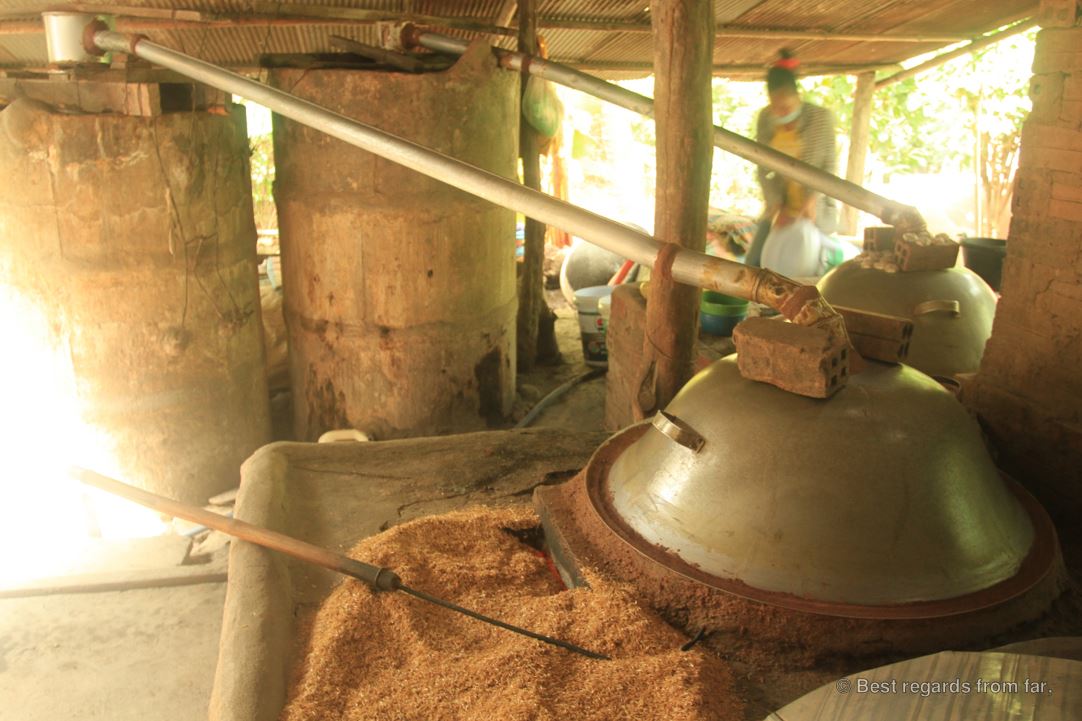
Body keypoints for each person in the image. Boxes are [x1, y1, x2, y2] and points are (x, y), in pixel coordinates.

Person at [745, 49, 839, 268]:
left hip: (814, 211)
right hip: (781, 209)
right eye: (775, 107)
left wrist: (812, 200)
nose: (780, 112)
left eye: (785, 106)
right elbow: (763, 167)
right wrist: (776, 204)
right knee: (754, 266)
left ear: (797, 96)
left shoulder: (820, 119)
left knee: (809, 273)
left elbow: (829, 166)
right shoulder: (766, 119)